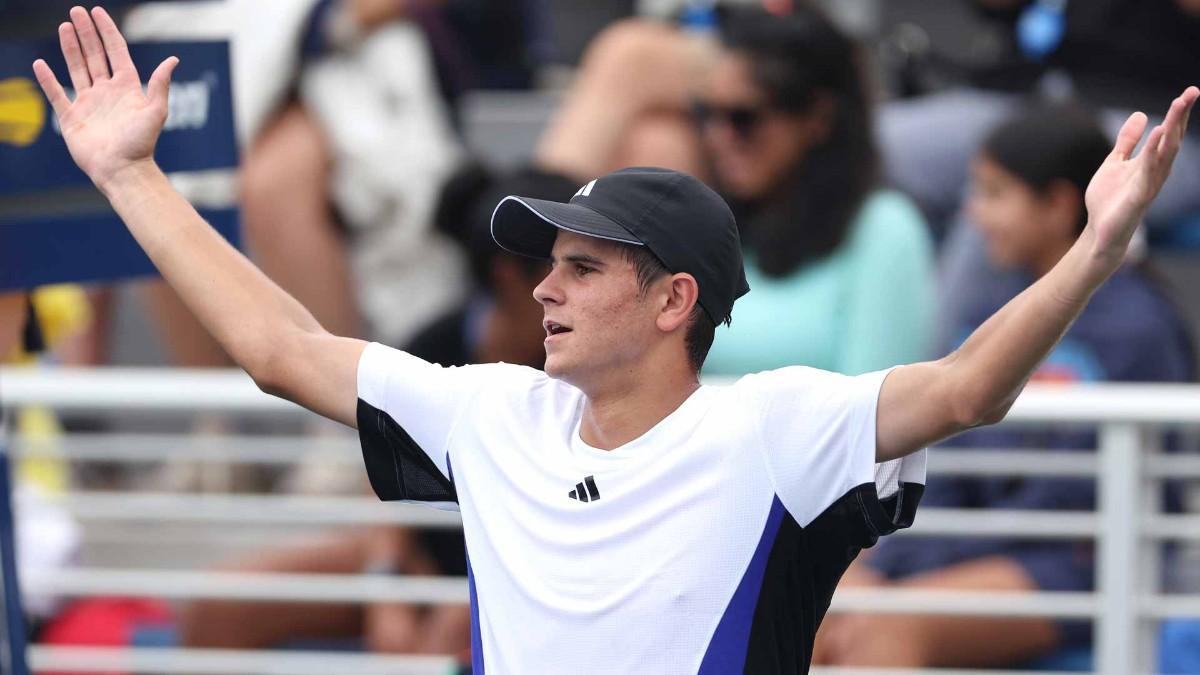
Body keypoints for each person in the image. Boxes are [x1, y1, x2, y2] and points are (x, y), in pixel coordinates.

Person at [32, 6, 1196, 672]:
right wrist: (129, 174)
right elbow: (279, 346)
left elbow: (966, 388)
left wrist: (1091, 251)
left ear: (674, 301)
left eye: (584, 267)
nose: (546, 289)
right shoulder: (494, 411)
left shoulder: (774, 425)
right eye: (548, 264)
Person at [814, 105, 1196, 669]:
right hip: (973, 549)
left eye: (995, 193)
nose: (974, 212)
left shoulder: (1137, 326)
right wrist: (902, 558)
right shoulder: (994, 311)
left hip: (1080, 563)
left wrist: (923, 568)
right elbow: (950, 465)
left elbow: (1076, 507)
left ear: (1061, 203)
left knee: (881, 631)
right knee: (811, 604)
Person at [538, 5, 935, 376]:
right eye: (705, 114)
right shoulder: (711, 224)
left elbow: (878, 421)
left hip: (797, 450)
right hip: (677, 447)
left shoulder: (884, 229)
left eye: (742, 118)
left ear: (817, 118)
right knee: (655, 139)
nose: (717, 137)